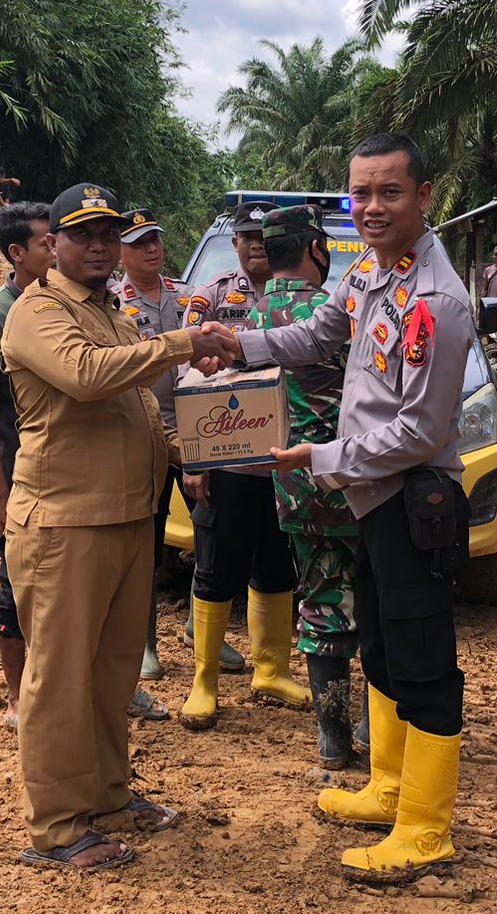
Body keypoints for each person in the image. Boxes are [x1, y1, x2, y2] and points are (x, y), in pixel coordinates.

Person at [213, 133, 476, 882]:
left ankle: (426, 828)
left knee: (424, 663)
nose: (370, 207)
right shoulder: (370, 271)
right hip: (370, 498)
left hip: (410, 497)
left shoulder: (435, 301)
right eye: (359, 193)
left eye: (389, 192)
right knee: (384, 647)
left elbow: (420, 430)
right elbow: (318, 332)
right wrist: (240, 348)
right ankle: (389, 788)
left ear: (424, 197)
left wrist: (320, 460)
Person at [0, 182, 238, 872]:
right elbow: (86, 377)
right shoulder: (36, 313)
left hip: (129, 517)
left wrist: (187, 453)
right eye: (83, 235)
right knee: (58, 678)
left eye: (110, 234)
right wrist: (182, 341)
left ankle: (105, 794)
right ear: (52, 246)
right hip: (64, 523)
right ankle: (54, 827)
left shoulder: (115, 310)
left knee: (108, 673)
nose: (100, 246)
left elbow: (139, 402)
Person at [179, 199, 309, 730]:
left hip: (283, 462)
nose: (257, 244)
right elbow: (186, 375)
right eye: (248, 237)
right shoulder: (209, 297)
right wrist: (195, 459)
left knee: (277, 566)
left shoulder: (309, 302)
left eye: (265, 237)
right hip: (226, 461)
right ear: (234, 243)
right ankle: (204, 681)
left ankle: (270, 670)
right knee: (214, 567)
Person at [248, 204, 360, 770]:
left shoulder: (256, 311)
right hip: (352, 474)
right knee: (377, 596)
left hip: (291, 481)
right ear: (317, 249)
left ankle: (332, 738)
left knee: (319, 597)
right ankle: (376, 728)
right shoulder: (335, 310)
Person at [0, 201, 52, 729]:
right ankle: (17, 697)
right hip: (19, 472)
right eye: (46, 243)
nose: (55, 250)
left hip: (59, 471)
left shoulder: (60, 304)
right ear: (18, 252)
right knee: (15, 581)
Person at [111, 208, 194, 688]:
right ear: (122, 252)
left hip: (200, 430)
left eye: (155, 239)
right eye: (140, 242)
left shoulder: (187, 295)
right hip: (148, 434)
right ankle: (144, 643)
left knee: (213, 528)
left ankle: (198, 625)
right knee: (149, 537)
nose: (151, 248)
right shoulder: (115, 305)